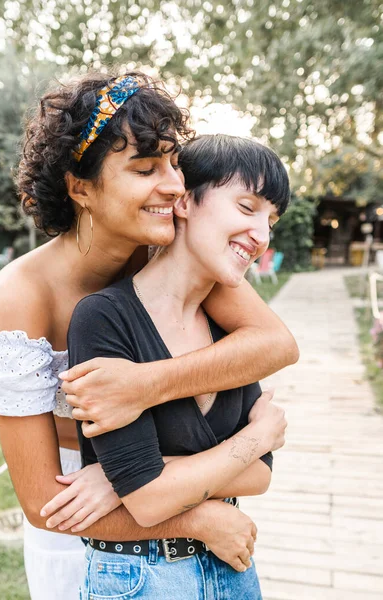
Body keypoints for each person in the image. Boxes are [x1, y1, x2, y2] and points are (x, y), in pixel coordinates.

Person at [0, 73, 298, 600]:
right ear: (80, 188)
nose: (175, 186)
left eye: (173, 164)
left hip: (170, 482)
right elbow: (43, 503)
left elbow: (275, 345)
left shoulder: (167, 253)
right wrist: (193, 516)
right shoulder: (25, 293)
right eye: (145, 169)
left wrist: (145, 388)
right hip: (82, 523)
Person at [47, 133, 289, 599]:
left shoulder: (233, 332)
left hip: (231, 565)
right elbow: (149, 500)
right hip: (141, 578)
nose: (262, 235)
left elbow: (260, 475)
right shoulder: (104, 318)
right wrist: (257, 435)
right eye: (246, 207)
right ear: (184, 202)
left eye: (271, 219)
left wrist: (137, 474)